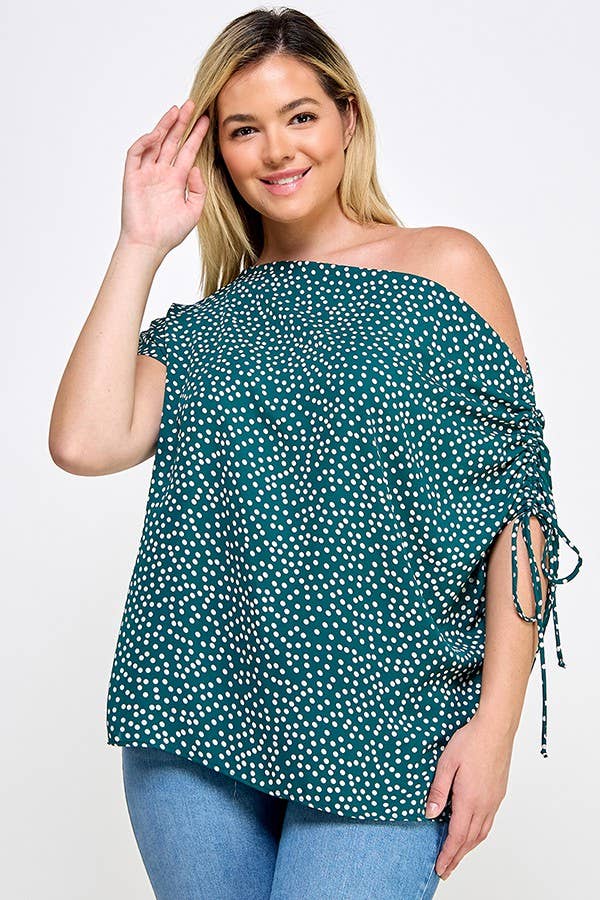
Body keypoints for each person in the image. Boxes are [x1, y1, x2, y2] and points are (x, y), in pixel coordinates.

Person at [48, 7, 583, 900]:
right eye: (243, 129)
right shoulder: (204, 330)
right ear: (216, 152)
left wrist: (495, 727)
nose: (276, 150)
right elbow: (83, 442)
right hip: (194, 713)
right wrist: (139, 245)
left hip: (391, 714)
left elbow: (520, 508)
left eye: (300, 116)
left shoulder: (445, 268)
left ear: (347, 120)